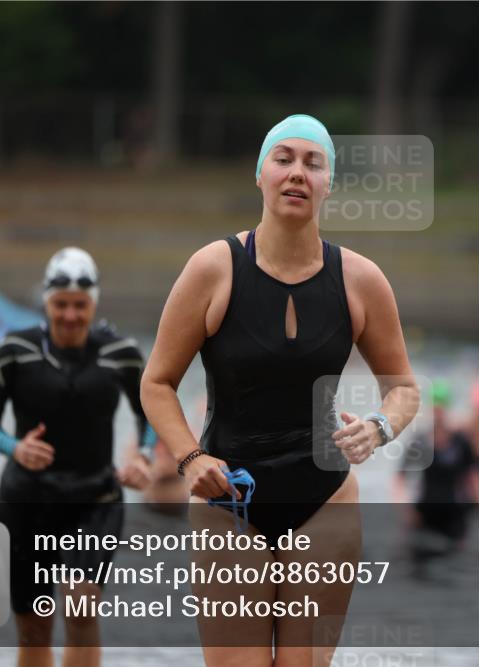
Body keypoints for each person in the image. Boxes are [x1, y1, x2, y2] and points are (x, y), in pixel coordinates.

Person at [141, 114, 419, 666]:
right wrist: (190, 457)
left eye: (313, 163)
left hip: (325, 500)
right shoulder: (213, 269)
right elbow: (157, 383)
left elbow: (404, 389)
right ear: (261, 174)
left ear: (328, 184)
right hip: (229, 503)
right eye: (284, 159)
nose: (297, 173)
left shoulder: (361, 279)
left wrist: (379, 427)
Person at [0, 247, 155, 667]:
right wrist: (15, 447)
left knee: (81, 603)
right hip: (27, 500)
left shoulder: (120, 353)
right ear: (46, 302)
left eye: (80, 306)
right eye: (61, 305)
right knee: (35, 629)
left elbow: (151, 413)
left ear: (94, 304)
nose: (70, 315)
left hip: (95, 500)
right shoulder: (13, 351)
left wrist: (143, 456)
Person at [394, 380, 479, 571]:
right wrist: (406, 509)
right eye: (435, 407)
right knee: (420, 564)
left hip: (455, 512)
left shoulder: (461, 441)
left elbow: (472, 476)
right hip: (425, 512)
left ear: (448, 408)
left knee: (458, 562)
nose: (438, 412)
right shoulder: (420, 441)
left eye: (442, 408)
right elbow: (399, 478)